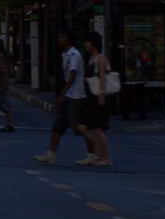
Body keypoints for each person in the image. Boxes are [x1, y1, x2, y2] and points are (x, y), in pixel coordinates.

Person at [34, 28, 95, 165]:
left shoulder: (74, 54)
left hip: (76, 97)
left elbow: (72, 75)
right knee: (57, 125)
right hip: (68, 95)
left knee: (81, 127)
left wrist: (62, 93)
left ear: (69, 39)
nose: (59, 39)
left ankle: (92, 153)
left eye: (62, 36)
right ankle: (51, 153)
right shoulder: (65, 54)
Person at [81, 31, 111, 167]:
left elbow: (103, 77)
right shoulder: (90, 58)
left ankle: (106, 158)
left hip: (97, 97)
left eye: (88, 41)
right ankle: (99, 153)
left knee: (98, 129)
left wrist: (102, 94)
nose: (85, 44)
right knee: (83, 127)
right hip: (89, 98)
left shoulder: (100, 58)